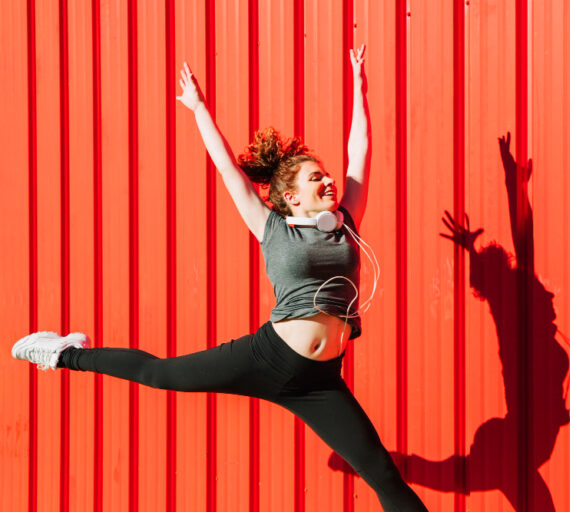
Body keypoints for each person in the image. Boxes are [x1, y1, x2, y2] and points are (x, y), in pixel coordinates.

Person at [12, 45, 428, 512]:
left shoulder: (346, 222)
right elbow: (228, 170)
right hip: (268, 357)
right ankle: (65, 353)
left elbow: (360, 153)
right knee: (161, 373)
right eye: (318, 178)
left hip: (320, 380)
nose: (330, 182)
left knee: (386, 476)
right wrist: (199, 110)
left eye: (328, 176)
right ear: (290, 197)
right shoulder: (271, 227)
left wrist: (359, 88)